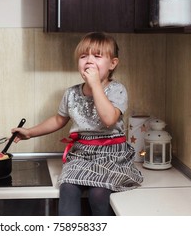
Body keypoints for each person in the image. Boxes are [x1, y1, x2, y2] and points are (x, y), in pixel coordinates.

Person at [12, 32, 143, 216]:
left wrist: (96, 85)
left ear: (112, 63)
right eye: (83, 56)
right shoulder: (71, 93)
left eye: (97, 56)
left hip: (112, 157)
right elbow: (59, 119)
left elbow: (109, 120)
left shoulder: (117, 90)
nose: (89, 61)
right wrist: (30, 132)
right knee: (68, 188)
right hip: (81, 155)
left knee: (98, 193)